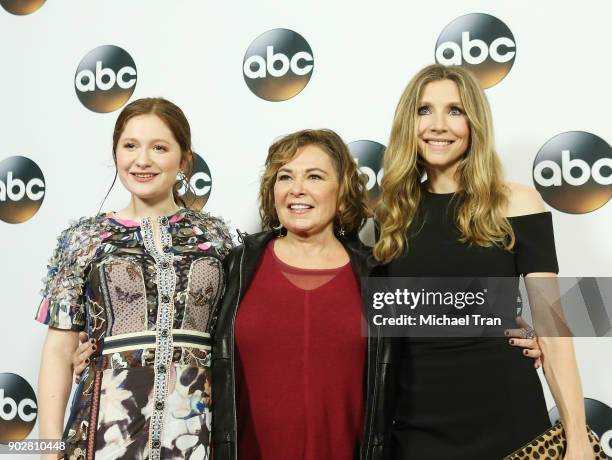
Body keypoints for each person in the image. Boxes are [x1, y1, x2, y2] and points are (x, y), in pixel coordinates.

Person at [70, 127, 543, 460]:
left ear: (343, 191)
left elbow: (456, 316)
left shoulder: (376, 274)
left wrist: (538, 328)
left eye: (315, 176)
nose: (297, 189)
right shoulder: (232, 266)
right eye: (285, 176)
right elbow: (173, 327)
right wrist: (94, 348)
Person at [375, 64, 594, 459]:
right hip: (414, 427)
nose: (438, 125)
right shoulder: (390, 215)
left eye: (455, 111)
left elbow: (553, 327)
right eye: (424, 110)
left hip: (508, 418)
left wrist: (576, 440)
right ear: (408, 123)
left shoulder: (516, 202)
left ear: (474, 122)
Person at [36, 97, 233, 460]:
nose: (142, 160)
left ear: (184, 159)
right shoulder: (85, 239)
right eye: (130, 146)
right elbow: (58, 350)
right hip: (104, 431)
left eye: (159, 147)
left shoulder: (217, 238)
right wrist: (49, 453)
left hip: (194, 432)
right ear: (116, 153)